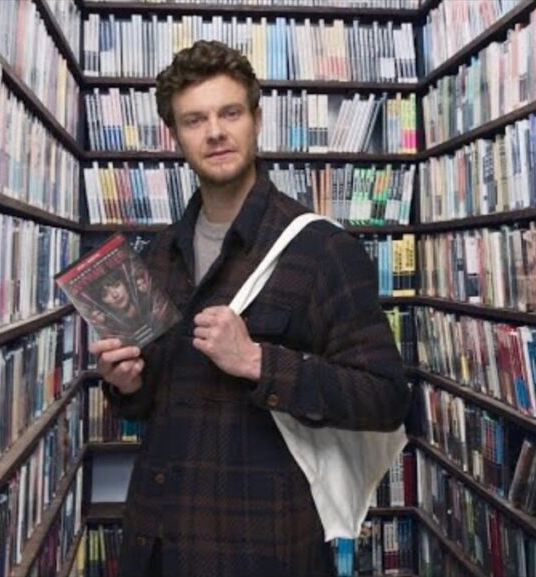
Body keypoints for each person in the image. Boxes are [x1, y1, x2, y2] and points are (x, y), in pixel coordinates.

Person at [89, 40, 410, 577]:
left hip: (263, 549)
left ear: (256, 120)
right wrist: (125, 386)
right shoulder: (156, 257)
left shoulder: (321, 249)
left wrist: (260, 362)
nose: (214, 131)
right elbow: (153, 407)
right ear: (175, 137)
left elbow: (385, 397)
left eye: (229, 113)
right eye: (195, 120)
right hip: (158, 541)